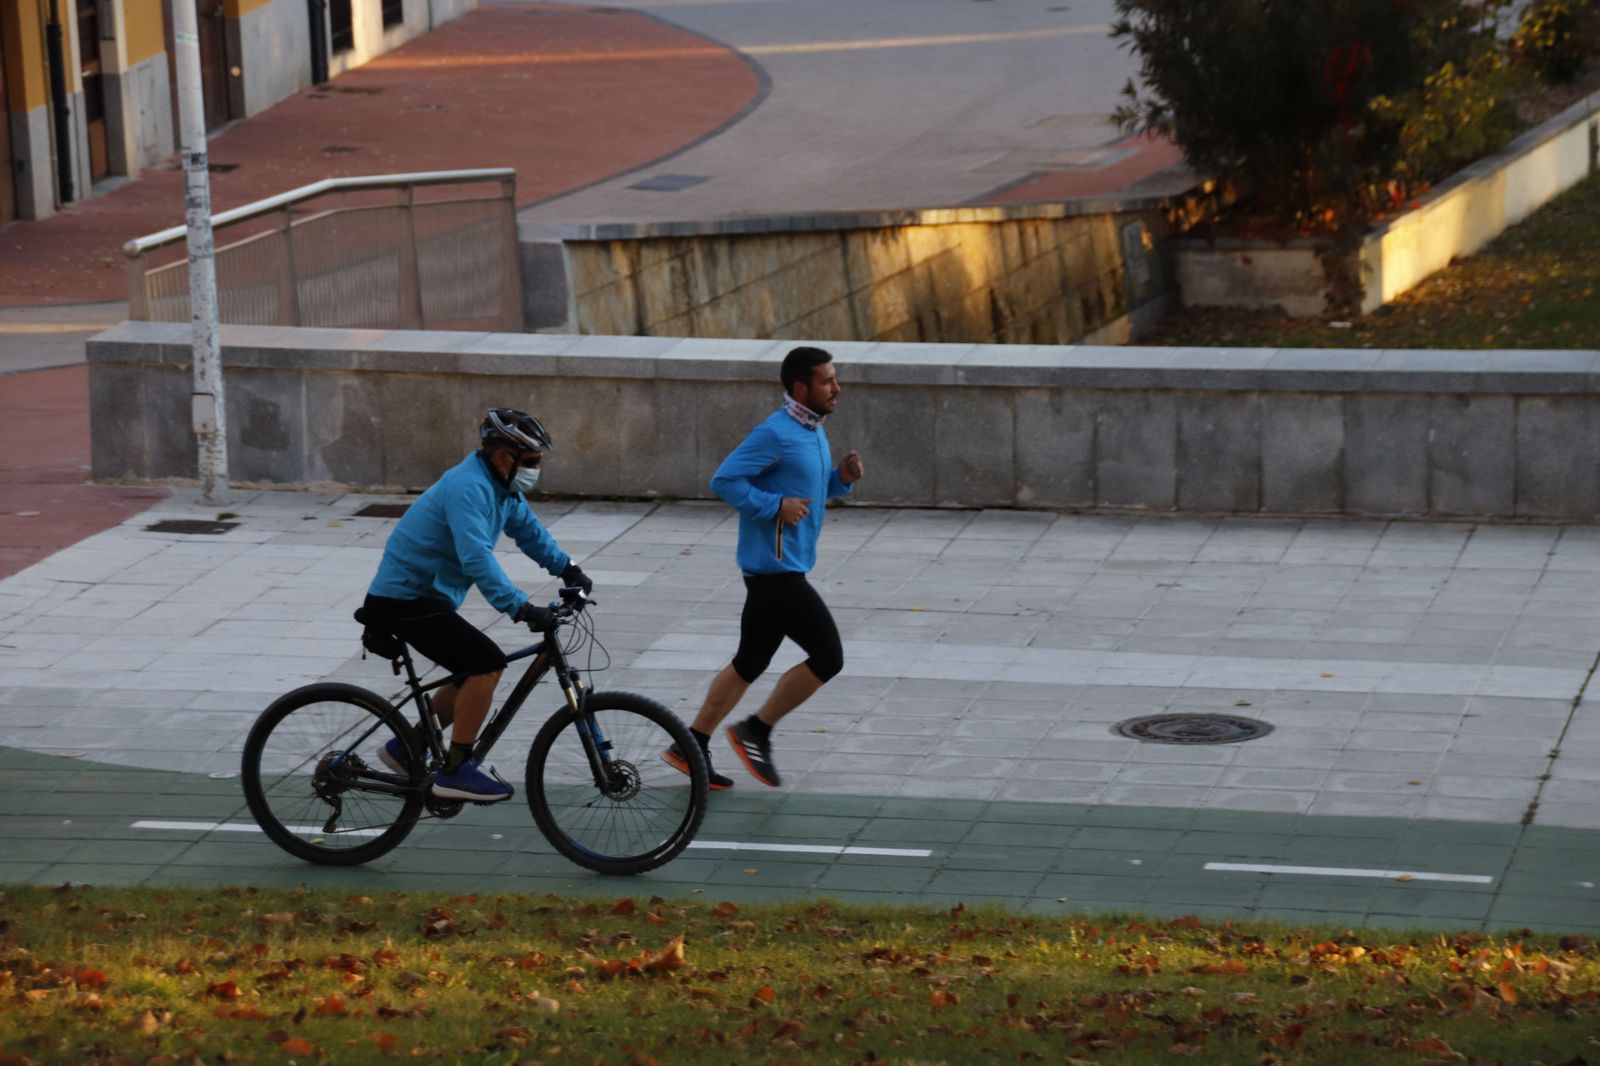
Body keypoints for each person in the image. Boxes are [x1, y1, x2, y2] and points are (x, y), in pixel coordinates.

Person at [361, 407, 592, 803]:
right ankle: (455, 770)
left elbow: (529, 531)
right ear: (504, 457)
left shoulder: (501, 487)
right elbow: (476, 559)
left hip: (427, 598)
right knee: (487, 664)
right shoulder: (468, 487)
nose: (536, 469)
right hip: (403, 599)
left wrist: (569, 569)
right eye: (531, 461)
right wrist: (520, 608)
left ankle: (407, 748)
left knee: (469, 670)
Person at [662, 346, 864, 789]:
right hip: (776, 573)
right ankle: (756, 730)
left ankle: (689, 745)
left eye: (835, 378)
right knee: (828, 657)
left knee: (749, 662)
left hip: (783, 568)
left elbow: (806, 493)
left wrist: (840, 480)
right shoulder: (775, 433)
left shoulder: (811, 430)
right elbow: (724, 480)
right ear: (801, 389)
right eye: (827, 381)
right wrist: (774, 506)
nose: (837, 387)